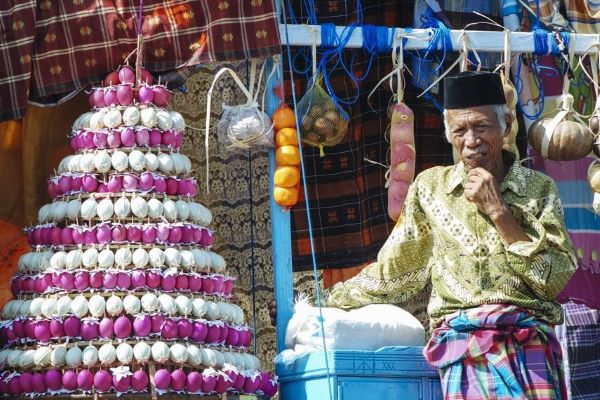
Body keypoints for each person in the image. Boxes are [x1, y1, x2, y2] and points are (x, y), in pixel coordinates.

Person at [275, 71, 577, 400]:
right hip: (462, 350)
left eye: (482, 127)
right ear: (449, 134)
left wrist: (499, 211)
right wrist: (327, 299)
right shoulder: (431, 188)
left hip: (526, 345)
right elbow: (395, 270)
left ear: (505, 125)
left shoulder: (537, 189)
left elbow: (555, 277)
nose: (472, 140)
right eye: (460, 130)